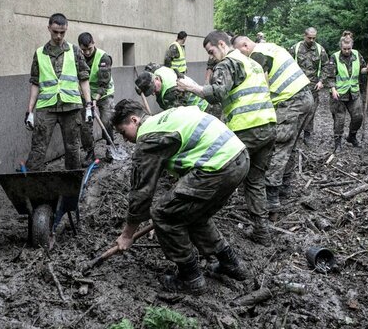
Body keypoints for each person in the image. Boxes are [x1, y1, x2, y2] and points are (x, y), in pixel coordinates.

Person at [112, 100, 250, 294]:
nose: (125, 140)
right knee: (193, 214)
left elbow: (141, 191)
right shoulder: (163, 119)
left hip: (217, 166)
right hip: (239, 158)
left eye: (123, 132)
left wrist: (127, 234)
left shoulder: (148, 138)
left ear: (134, 120)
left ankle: (190, 278)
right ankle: (231, 263)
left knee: (163, 214)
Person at [176, 30, 277, 245]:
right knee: (255, 181)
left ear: (222, 44)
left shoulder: (227, 63)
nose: (212, 57)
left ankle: (198, 220)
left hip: (247, 129)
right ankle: (262, 232)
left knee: (219, 173)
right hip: (268, 126)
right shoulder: (251, 62)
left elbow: (217, 94)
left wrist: (191, 87)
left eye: (211, 51)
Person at [232, 35, 313, 212]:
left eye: (240, 53)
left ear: (245, 45)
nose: (242, 58)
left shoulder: (257, 54)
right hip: (305, 97)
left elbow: (261, 83)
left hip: (291, 101)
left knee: (278, 147)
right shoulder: (271, 46)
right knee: (290, 146)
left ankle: (271, 198)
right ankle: (284, 188)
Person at [24, 13, 91, 171]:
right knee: (38, 149)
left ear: (66, 29)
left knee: (73, 149)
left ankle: (72, 189)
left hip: (71, 107)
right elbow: (35, 82)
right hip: (46, 108)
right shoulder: (40, 53)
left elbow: (84, 79)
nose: (59, 36)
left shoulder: (75, 51)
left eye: (62, 32)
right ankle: (33, 187)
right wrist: (30, 111)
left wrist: (88, 106)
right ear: (49, 28)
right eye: (55, 32)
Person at [326, 36, 368, 152]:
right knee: (339, 119)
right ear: (341, 47)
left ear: (352, 47)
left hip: (354, 92)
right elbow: (330, 76)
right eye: (344, 49)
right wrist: (333, 89)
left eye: (349, 48)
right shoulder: (335, 57)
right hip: (338, 94)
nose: (347, 51)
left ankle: (352, 136)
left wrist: (367, 69)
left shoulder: (356, 54)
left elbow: (361, 69)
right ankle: (337, 143)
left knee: (358, 117)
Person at [78, 32, 115, 165]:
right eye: (84, 49)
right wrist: (87, 99)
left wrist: (94, 100)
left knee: (107, 120)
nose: (87, 52)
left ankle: (110, 148)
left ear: (94, 43)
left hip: (104, 93)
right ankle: (89, 153)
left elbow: (103, 84)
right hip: (85, 94)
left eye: (89, 48)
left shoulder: (103, 57)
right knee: (85, 125)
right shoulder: (78, 56)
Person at [290, 27, 329, 144]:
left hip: (313, 85)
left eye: (314, 38)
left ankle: (308, 134)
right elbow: (286, 64)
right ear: (304, 36)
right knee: (295, 110)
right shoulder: (295, 48)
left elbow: (327, 66)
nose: (312, 40)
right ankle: (293, 134)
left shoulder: (320, 50)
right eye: (309, 38)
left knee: (311, 111)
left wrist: (321, 81)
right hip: (297, 86)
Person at [135, 66, 209, 111]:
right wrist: (140, 86)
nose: (153, 93)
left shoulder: (171, 93)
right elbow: (150, 66)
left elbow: (174, 117)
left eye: (153, 89)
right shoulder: (159, 70)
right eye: (151, 93)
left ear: (157, 78)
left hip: (201, 108)